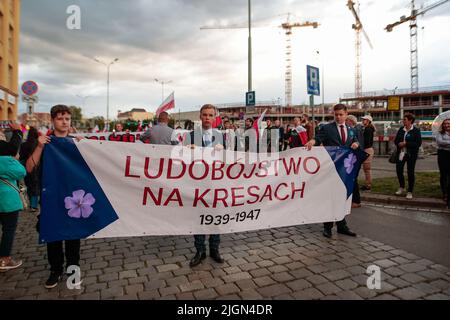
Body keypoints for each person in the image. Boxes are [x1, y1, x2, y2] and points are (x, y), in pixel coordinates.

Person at [26, 105, 82, 289]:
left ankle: (73, 271)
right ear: (52, 121)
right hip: (51, 199)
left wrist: (86, 146)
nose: (64, 122)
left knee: (74, 237)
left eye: (67, 118)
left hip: (75, 200)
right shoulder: (45, 142)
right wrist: (40, 146)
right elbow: (29, 167)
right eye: (60, 118)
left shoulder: (76, 142)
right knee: (53, 236)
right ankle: (55, 270)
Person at [305, 104, 359, 238]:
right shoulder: (327, 128)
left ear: (346, 114)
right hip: (331, 168)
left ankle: (341, 225)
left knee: (342, 197)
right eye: (336, 115)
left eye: (341, 114)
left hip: (345, 169)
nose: (338, 117)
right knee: (330, 197)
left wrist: (356, 144)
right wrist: (312, 141)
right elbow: (318, 138)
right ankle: (327, 226)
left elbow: (356, 141)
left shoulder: (351, 129)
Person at [185, 104, 225, 267]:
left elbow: (228, 159)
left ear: (214, 118)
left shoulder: (220, 136)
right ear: (200, 117)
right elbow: (183, 159)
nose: (207, 118)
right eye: (204, 115)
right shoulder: (191, 135)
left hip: (216, 183)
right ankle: (199, 250)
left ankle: (214, 249)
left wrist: (223, 150)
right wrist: (188, 150)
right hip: (198, 183)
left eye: (210, 115)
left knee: (215, 216)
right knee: (198, 217)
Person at [0, 124, 26, 271]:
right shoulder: (6, 160)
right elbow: (21, 172)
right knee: (8, 229)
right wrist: (15, 160)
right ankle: (4, 259)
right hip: (8, 202)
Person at [394, 113, 422, 199]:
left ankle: (410, 191)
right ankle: (402, 187)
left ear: (410, 121)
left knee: (410, 172)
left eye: (405, 119)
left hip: (411, 154)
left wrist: (406, 143)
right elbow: (396, 140)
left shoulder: (416, 131)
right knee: (399, 170)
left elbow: (418, 143)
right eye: (403, 119)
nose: (403, 121)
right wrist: (398, 144)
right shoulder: (401, 129)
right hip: (401, 153)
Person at [19, 127, 41, 212]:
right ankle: (34, 205)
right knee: (36, 186)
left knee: (29, 185)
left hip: (27, 168)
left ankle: (32, 204)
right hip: (38, 168)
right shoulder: (38, 144)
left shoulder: (24, 144)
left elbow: (21, 157)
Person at [346, 115, 363, 209]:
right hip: (354, 157)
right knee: (352, 178)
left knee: (353, 179)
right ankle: (353, 200)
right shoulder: (356, 129)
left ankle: (356, 201)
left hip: (355, 157)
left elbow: (359, 144)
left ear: (351, 121)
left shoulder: (355, 130)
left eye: (347, 120)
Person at [436, 118, 450, 208]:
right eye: (445, 124)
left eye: (448, 123)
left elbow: (444, 143)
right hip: (443, 154)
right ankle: (444, 193)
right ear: (442, 125)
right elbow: (440, 142)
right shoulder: (439, 133)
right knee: (443, 174)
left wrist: (447, 143)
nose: (446, 125)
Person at [361, 115, 375, 191]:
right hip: (368, 149)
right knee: (366, 169)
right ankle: (367, 184)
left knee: (367, 169)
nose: (363, 121)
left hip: (367, 149)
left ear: (368, 121)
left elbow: (367, 141)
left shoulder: (368, 129)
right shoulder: (369, 128)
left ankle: (368, 185)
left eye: (364, 120)